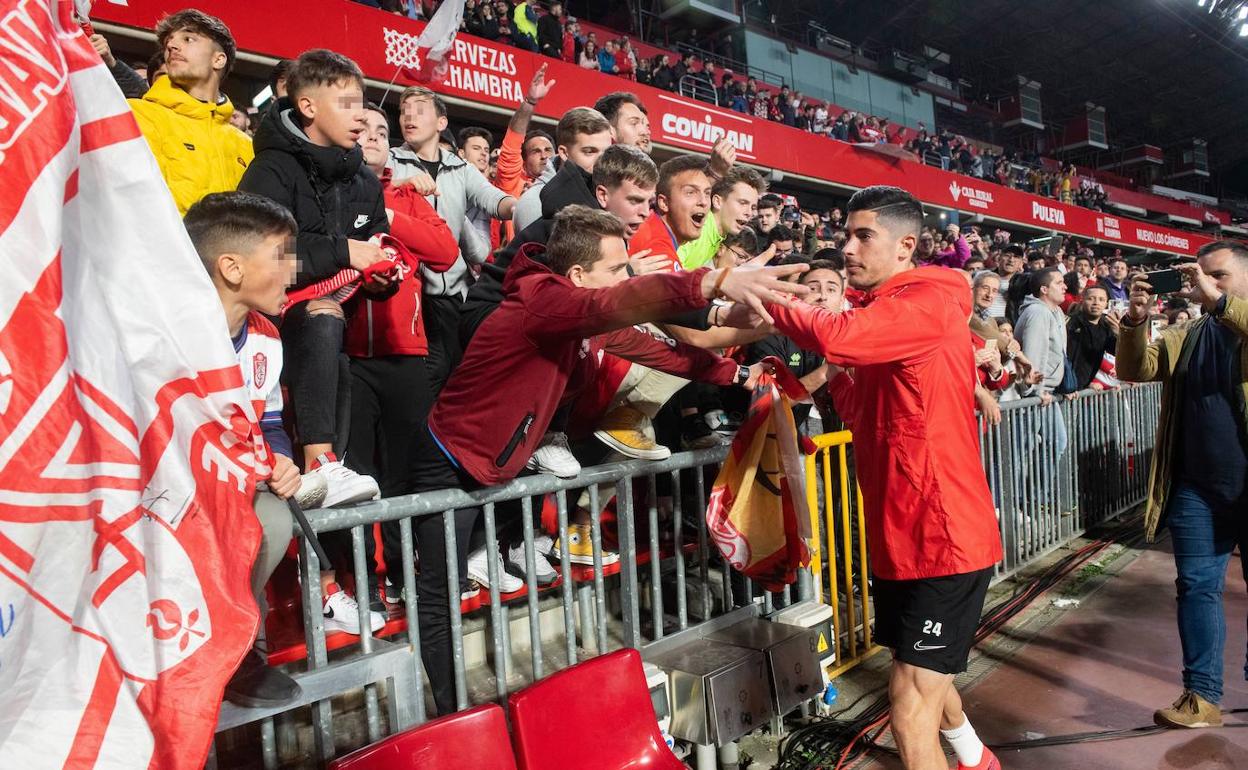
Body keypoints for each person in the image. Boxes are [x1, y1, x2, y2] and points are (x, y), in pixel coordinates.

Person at [408, 204, 809, 716]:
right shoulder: (546, 304)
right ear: (577, 275)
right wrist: (713, 281)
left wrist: (735, 377)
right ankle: (453, 718)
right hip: (449, 461)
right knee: (438, 593)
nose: (627, 276)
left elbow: (661, 352)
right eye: (616, 268)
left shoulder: (581, 316)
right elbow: (634, 298)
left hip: (500, 463)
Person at [752, 186, 1003, 770]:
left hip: (946, 539)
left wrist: (763, 293)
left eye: (864, 236)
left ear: (905, 246)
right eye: (846, 235)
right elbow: (863, 407)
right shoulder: (885, 315)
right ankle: (975, 757)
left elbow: (842, 337)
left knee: (909, 703)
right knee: (921, 674)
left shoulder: (927, 299)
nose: (847, 247)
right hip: (904, 536)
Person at [238, 49, 389, 632]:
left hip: (328, 345)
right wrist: (344, 253)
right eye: (346, 102)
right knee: (289, 482)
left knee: (332, 478)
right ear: (306, 106)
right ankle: (319, 462)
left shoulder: (363, 179)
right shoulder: (271, 171)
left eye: (361, 101)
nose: (360, 115)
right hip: (262, 335)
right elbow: (260, 260)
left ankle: (331, 588)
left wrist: (379, 271)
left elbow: (371, 251)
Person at [1117, 242, 1248, 729]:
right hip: (1196, 489)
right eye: (1200, 277)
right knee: (1196, 588)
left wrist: (1216, 299)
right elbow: (1136, 369)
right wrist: (1135, 319)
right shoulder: (1187, 333)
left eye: (1220, 276)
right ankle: (1201, 696)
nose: (1205, 285)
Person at [186, 192, 306, 708]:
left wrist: (281, 459)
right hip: (160, 488)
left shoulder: (266, 336)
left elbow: (268, 422)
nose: (294, 271)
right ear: (231, 267)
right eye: (282, 257)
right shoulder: (164, 329)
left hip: (230, 482)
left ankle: (236, 652)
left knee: (273, 520)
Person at [347, 103, 460, 609]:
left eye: (381, 131)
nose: (371, 135)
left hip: (407, 355)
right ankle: (359, 581)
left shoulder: (405, 197)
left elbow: (445, 251)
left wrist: (387, 213)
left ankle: (401, 571)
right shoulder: (331, 190)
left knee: (402, 475)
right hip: (347, 358)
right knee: (355, 474)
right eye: (363, 128)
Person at [387, 85, 516, 392]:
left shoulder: (461, 168)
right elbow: (370, 192)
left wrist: (521, 207)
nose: (408, 116)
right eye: (404, 110)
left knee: (456, 373)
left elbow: (494, 199)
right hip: (407, 293)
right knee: (423, 377)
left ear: (441, 123)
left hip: (454, 294)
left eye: (419, 109)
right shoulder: (389, 161)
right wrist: (403, 183)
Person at [128, 9, 253, 215]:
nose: (171, 46)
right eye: (169, 41)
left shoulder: (247, 145)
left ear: (218, 60)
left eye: (188, 39)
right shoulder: (138, 114)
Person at [513, 107, 612, 232]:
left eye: (606, 152)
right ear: (564, 153)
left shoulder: (609, 193)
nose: (601, 162)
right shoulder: (534, 204)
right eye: (589, 152)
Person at [679, 166, 768, 270]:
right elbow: (666, 276)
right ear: (717, 202)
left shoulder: (717, 237)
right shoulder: (697, 230)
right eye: (742, 203)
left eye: (753, 207)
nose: (749, 213)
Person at [1066, 285, 1119, 391]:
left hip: (1083, 388)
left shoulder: (1106, 327)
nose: (1096, 303)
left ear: (1106, 304)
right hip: (1068, 388)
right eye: (1091, 298)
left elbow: (1118, 353)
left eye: (1101, 299)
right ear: (1082, 301)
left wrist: (1119, 334)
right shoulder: (1071, 324)